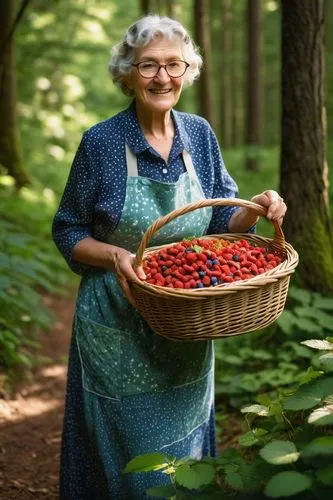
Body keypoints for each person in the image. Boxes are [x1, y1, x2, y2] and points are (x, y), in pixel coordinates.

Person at [52, 15, 287, 500]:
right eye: (149, 66)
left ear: (188, 70)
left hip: (186, 320)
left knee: (183, 461)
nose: (163, 77)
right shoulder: (101, 142)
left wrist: (257, 208)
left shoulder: (199, 135)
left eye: (174, 65)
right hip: (117, 317)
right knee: (131, 465)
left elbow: (223, 222)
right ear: (127, 73)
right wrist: (117, 255)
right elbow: (67, 229)